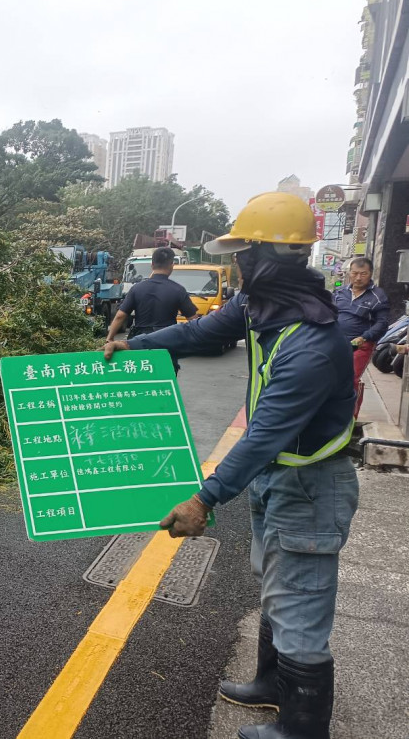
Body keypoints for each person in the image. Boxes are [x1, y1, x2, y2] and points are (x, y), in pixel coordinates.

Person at [104, 192, 357, 739]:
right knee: (275, 585)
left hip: (311, 487)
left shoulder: (311, 344)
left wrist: (204, 498)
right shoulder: (262, 305)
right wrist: (136, 346)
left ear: (267, 257)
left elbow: (263, 435)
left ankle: (302, 731)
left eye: (243, 252)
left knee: (300, 604)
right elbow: (199, 333)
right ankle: (272, 685)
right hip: (280, 480)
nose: (235, 262)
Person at [333, 257, 389, 418]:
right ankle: (331, 413)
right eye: (355, 273)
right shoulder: (340, 293)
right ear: (349, 273)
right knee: (330, 378)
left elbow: (382, 323)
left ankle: (350, 416)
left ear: (370, 274)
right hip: (336, 343)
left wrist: (364, 337)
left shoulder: (378, 296)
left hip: (360, 344)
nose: (358, 277)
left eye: (363, 274)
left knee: (351, 379)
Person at [106, 247, 198, 344]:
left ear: (152, 265)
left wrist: (110, 338)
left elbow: (120, 316)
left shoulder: (136, 289)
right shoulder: (178, 290)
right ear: (172, 266)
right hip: (167, 340)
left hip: (141, 341)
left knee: (143, 360)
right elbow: (193, 319)